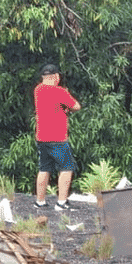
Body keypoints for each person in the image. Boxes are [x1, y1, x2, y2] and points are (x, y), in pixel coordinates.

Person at [34, 63, 80, 211]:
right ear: (56, 77)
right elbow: (76, 106)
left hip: (41, 137)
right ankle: (61, 202)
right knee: (66, 168)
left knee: (44, 168)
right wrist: (66, 97)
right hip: (57, 138)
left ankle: (40, 201)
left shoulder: (38, 90)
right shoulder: (60, 92)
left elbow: (52, 105)